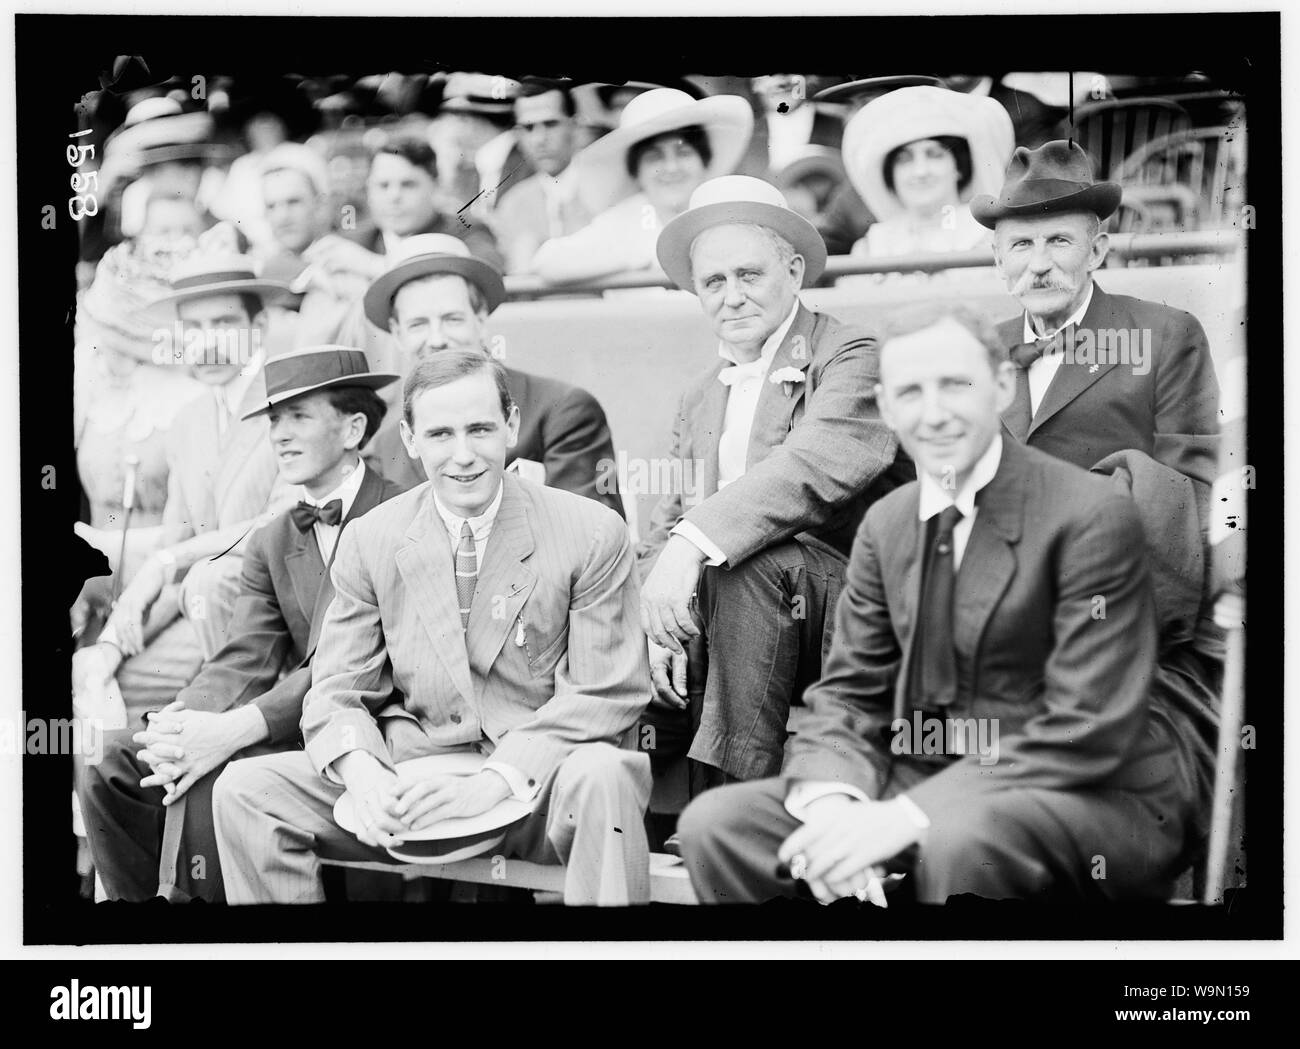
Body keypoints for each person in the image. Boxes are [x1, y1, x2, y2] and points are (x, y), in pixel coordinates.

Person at [679, 304, 1211, 904]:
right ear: (885, 407)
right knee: (721, 829)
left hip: (1090, 787)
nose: (933, 414)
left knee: (961, 841)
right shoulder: (890, 523)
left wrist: (903, 817)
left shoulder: (1091, 514)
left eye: (955, 386)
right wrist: (834, 802)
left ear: (1001, 387)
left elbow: (1085, 724)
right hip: (932, 770)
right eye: (910, 392)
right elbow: (852, 694)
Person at [211, 351, 653, 906]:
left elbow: (605, 692)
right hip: (412, 780)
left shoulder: (590, 531)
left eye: (481, 430)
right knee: (247, 790)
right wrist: (365, 775)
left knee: (605, 775)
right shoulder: (373, 538)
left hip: (539, 781)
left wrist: (495, 781)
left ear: (511, 426)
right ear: (409, 438)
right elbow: (336, 690)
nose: (463, 456)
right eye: (440, 434)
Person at [80, 346, 402, 902]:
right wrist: (180, 722)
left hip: (367, 718)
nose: (279, 434)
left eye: (299, 417)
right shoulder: (276, 533)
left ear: (353, 429)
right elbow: (244, 653)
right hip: (285, 714)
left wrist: (233, 729)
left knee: (216, 772)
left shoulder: (400, 517)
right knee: (111, 762)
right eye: (274, 420)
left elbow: (355, 662)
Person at [638, 176, 904, 805]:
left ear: (792, 269)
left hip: (844, 605)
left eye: (749, 275)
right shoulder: (702, 393)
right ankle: (622, 827)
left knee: (744, 561)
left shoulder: (851, 353)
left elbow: (816, 467)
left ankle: (735, 804)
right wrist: (654, 617)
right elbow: (666, 516)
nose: (732, 296)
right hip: (729, 610)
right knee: (617, 610)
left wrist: (689, 548)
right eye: (713, 282)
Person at [71, 252, 296, 719]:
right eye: (193, 328)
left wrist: (170, 560)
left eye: (224, 323)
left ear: (257, 328)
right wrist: (112, 643)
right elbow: (173, 552)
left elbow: (283, 522)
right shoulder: (190, 420)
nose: (207, 342)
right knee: (100, 687)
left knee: (128, 707)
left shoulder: (289, 403)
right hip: (198, 614)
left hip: (278, 624)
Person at [975, 140, 1220, 500]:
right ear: (998, 260)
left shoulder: (1166, 336)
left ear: (1096, 252)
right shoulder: (980, 350)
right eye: (1022, 245)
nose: (1039, 264)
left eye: (1059, 241)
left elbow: (1190, 490)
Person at [359, 234, 624, 516]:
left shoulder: (561, 410)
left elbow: (588, 534)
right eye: (418, 325)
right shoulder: (387, 444)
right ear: (398, 334)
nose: (436, 339)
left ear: (481, 317)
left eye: (452, 319)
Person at [532, 88, 753, 286]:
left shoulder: (725, 211)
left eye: (683, 153)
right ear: (635, 171)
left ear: (704, 161)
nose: (671, 167)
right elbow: (547, 263)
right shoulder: (625, 219)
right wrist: (643, 253)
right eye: (654, 157)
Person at [840, 85, 1013, 269]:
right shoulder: (872, 245)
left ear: (959, 168)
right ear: (891, 175)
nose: (920, 171)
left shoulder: (986, 235)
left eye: (934, 155)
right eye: (904, 160)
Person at [304, 137, 504, 295]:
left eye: (408, 185)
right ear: (368, 190)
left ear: (435, 186)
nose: (394, 197)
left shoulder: (466, 230)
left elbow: (486, 274)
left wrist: (374, 266)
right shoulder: (357, 239)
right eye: (383, 186)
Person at [488, 82, 594, 273]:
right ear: (518, 136)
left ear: (575, 126)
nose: (539, 139)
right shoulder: (512, 204)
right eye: (529, 128)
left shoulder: (608, 184)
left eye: (550, 124)